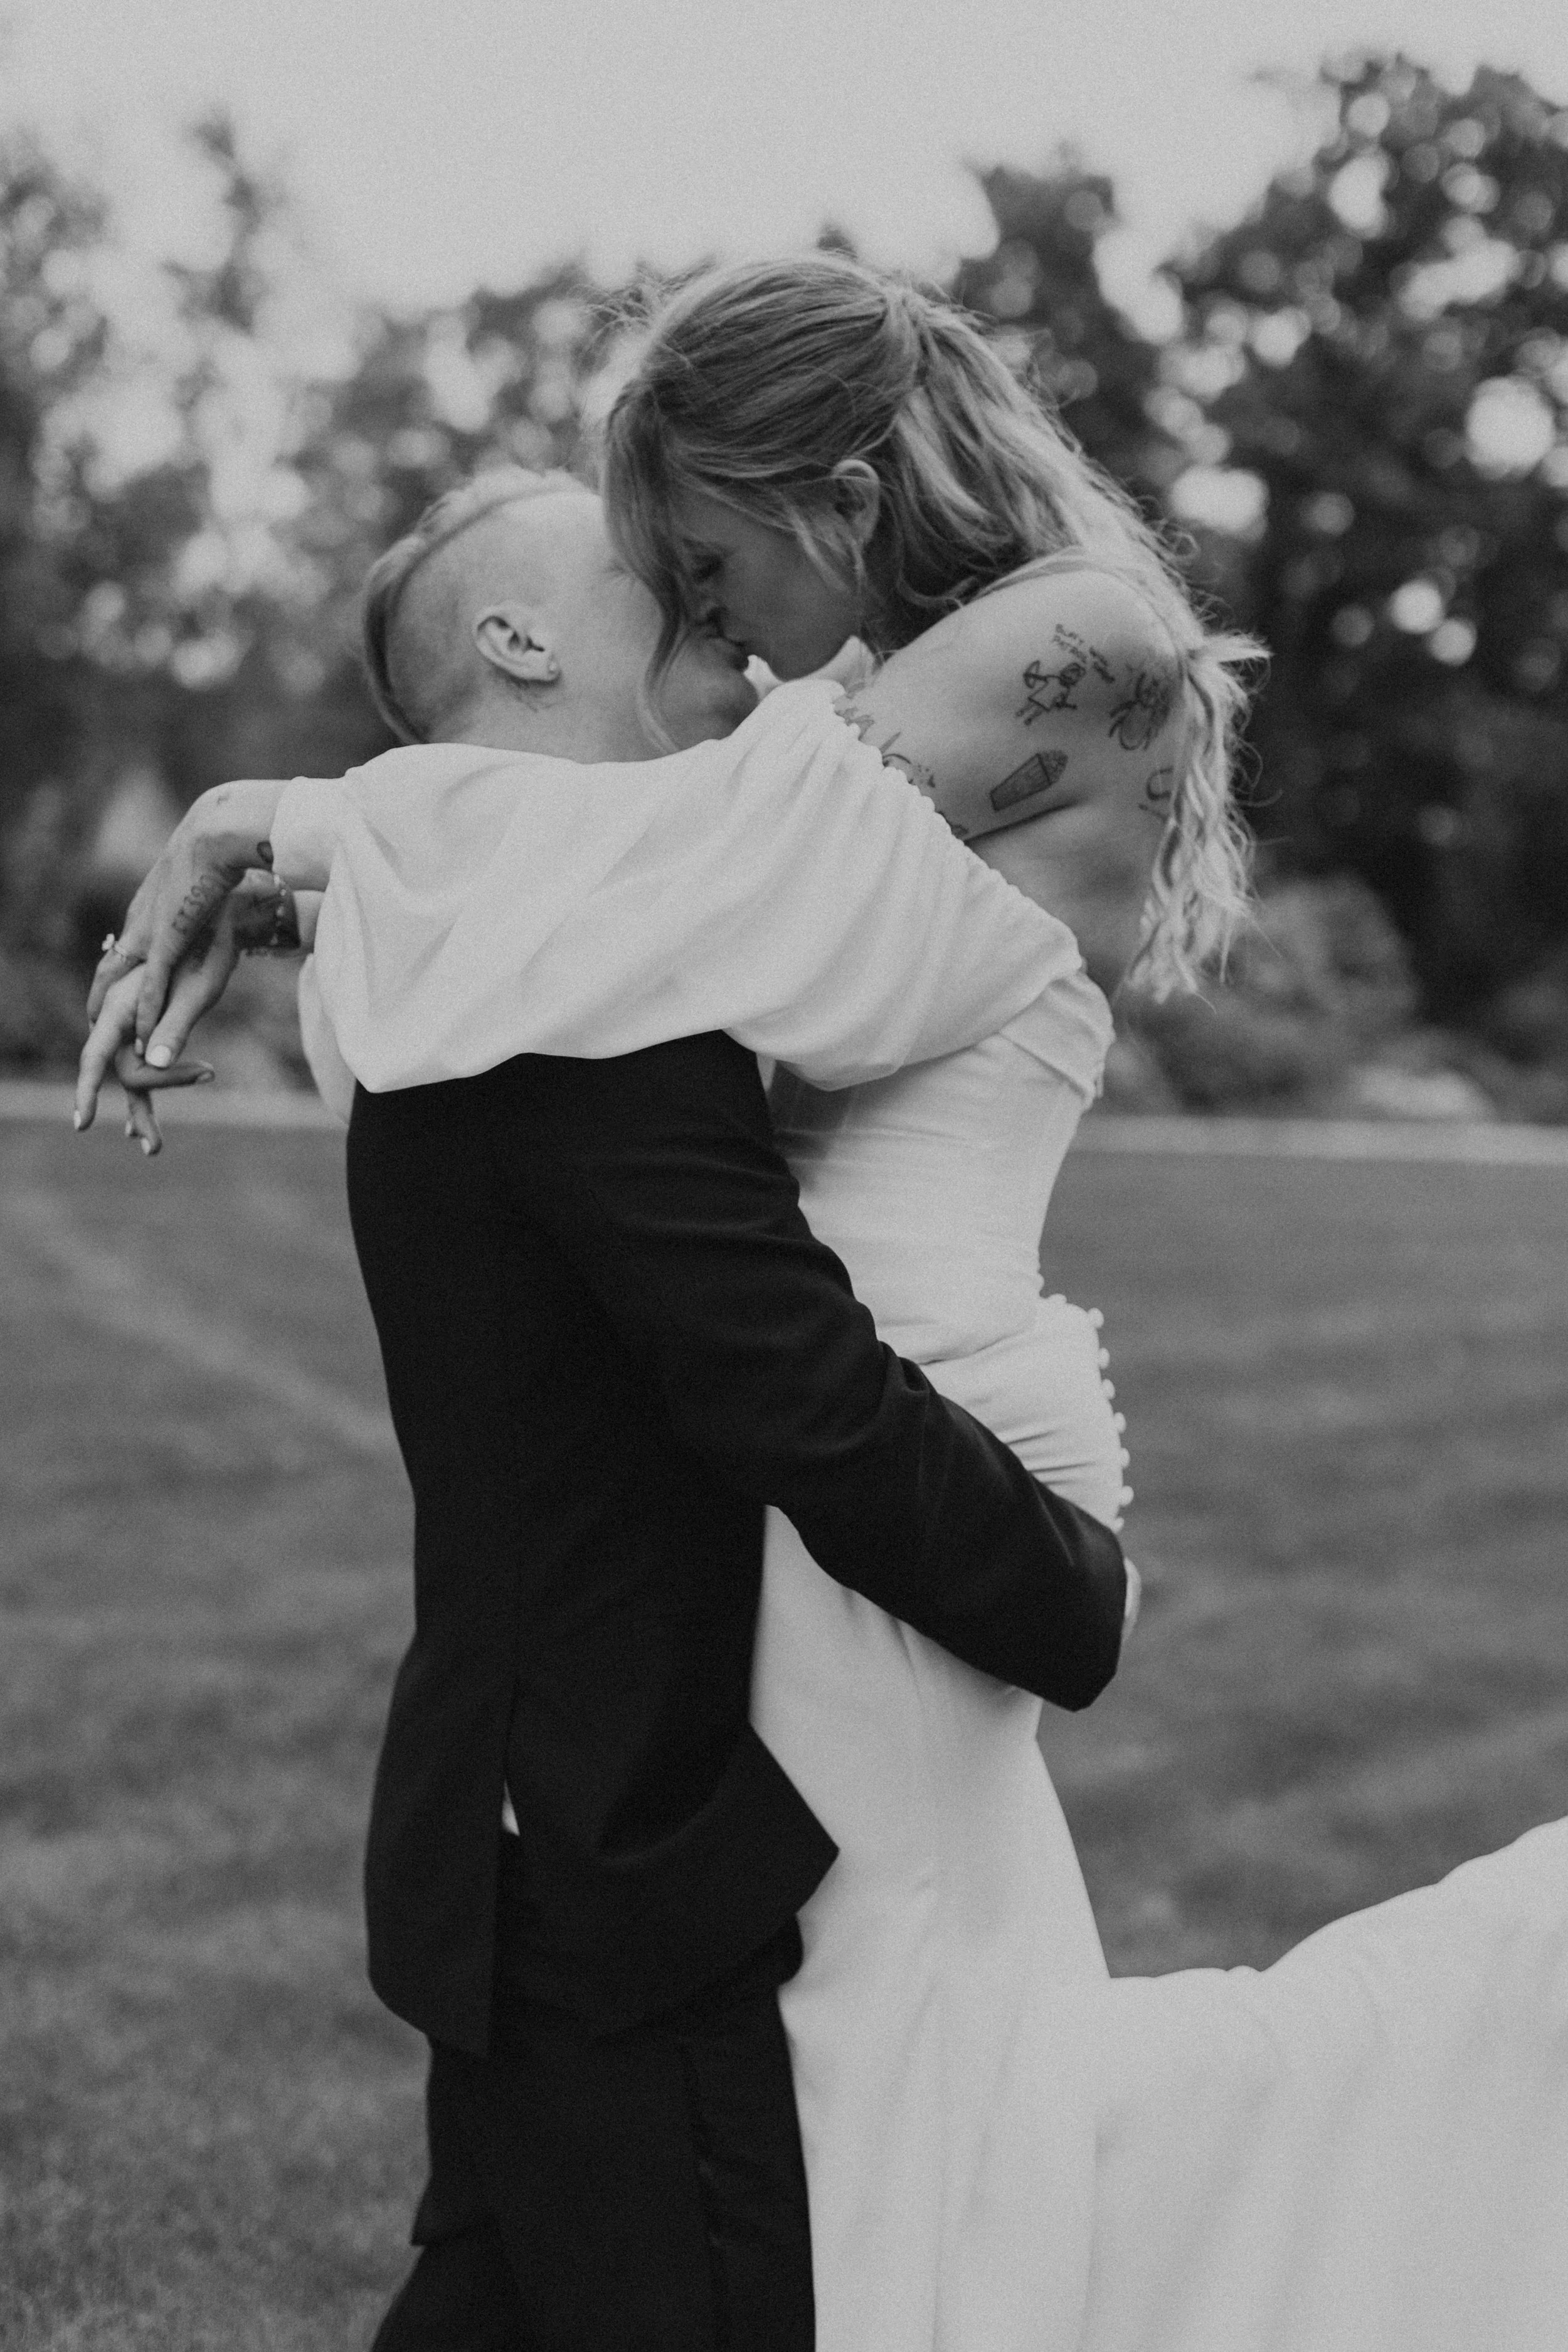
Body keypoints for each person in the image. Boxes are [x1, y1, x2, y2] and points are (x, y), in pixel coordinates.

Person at [95, 250, 1568, 2352]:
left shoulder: (1072, 643)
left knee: (904, 2097)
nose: (718, 633)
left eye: (705, 567)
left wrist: (298, 815)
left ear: (837, 495)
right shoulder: (901, 711)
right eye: (666, 593)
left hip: (929, 1422)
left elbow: (694, 868)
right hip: (850, 1458)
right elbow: (670, 882)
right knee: (922, 2092)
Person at [82, 464, 1133, 2352]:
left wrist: (263, 819)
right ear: (516, 634)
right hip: (617, 1857)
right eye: (642, 562)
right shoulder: (565, 1010)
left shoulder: (446, 970)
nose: (702, 594)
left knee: (487, 2300)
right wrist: (1072, 1594)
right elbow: (792, 1397)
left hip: (505, 1825)